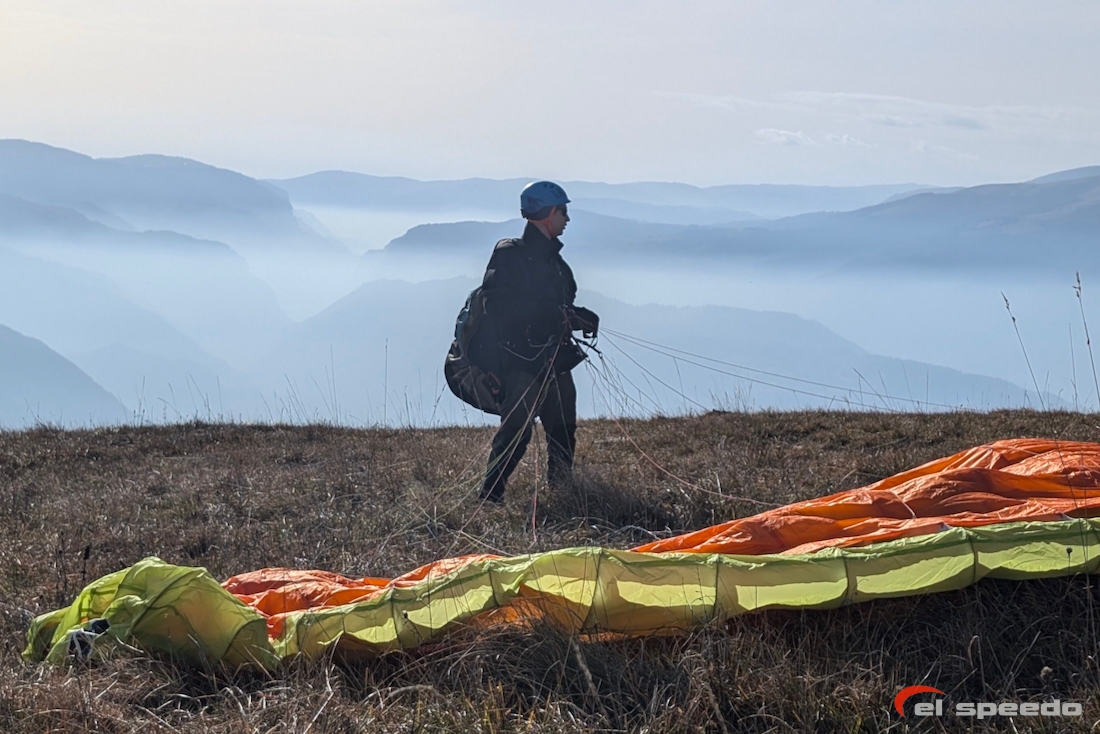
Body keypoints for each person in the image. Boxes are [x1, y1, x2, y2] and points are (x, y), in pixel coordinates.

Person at [471, 181, 599, 503]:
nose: (567, 219)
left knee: (562, 428)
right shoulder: (510, 254)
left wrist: (576, 317)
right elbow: (498, 307)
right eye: (563, 212)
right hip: (521, 362)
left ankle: (562, 492)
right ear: (547, 214)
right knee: (516, 431)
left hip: (555, 359)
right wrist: (554, 315)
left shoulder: (556, 264)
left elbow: (557, 306)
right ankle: (489, 497)